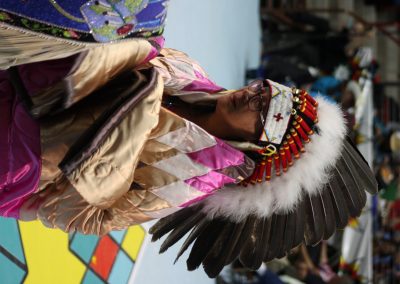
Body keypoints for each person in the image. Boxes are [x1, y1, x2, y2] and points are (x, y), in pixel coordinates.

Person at [0, 1, 377, 278]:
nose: (255, 96)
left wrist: (106, 148)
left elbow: (82, 216)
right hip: (25, 75)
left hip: (23, 152)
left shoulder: (191, 178)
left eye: (267, 114)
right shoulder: (192, 75)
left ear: (263, 149)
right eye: (268, 91)